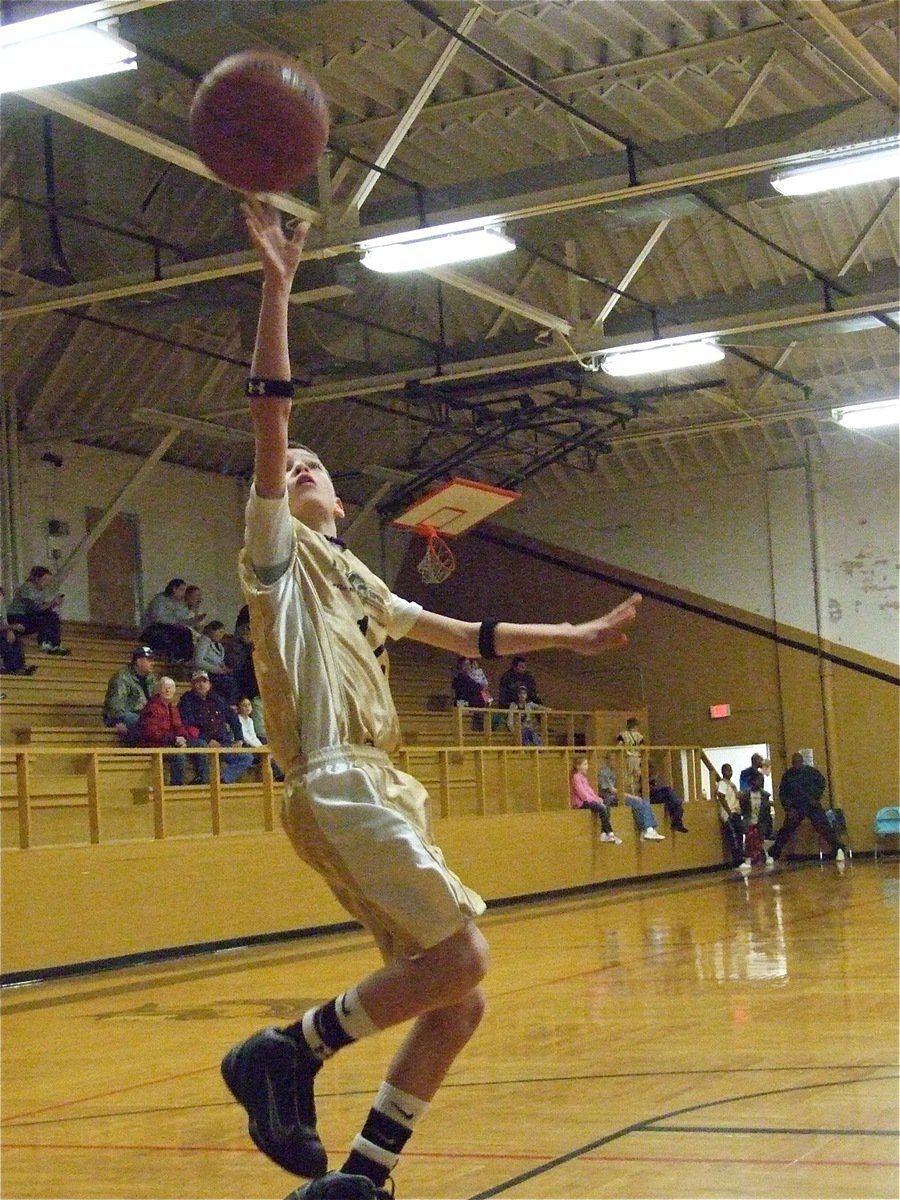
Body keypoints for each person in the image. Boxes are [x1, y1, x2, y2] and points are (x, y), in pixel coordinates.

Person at [221, 198, 642, 1200]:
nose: (308, 467)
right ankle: (284, 1051)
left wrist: (574, 635)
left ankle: (362, 1179)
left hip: (375, 786)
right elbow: (272, 414)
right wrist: (279, 286)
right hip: (336, 779)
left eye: (320, 465)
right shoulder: (275, 557)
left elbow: (467, 638)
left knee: (455, 1003)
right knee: (464, 960)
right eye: (299, 467)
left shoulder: (357, 578)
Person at [769, 752, 846, 864]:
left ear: (802, 762)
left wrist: (816, 797)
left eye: (799, 762)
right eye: (795, 763)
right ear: (792, 763)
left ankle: (839, 849)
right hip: (796, 807)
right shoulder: (788, 775)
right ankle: (773, 854)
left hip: (811, 805)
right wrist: (788, 808)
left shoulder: (811, 772)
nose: (797, 765)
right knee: (786, 830)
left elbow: (821, 783)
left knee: (823, 827)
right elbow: (783, 793)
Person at [177, 671, 253, 784]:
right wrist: (208, 740)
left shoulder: (218, 699)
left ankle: (223, 781)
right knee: (201, 745)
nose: (201, 685)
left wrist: (239, 738)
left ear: (209, 684)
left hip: (223, 743)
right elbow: (188, 726)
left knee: (246, 757)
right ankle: (204, 781)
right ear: (192, 685)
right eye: (197, 682)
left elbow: (233, 718)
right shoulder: (186, 701)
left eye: (204, 681)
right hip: (201, 741)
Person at [132, 676, 208, 785]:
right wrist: (174, 739)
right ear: (159, 690)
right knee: (178, 755)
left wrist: (183, 738)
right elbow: (152, 732)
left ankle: (202, 781)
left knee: (200, 744)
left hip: (172, 742)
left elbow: (179, 727)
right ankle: (176, 787)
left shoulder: (173, 707)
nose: (168, 690)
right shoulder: (152, 707)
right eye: (165, 687)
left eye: (171, 687)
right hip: (155, 745)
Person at [597, 754, 664, 840]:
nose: (616, 762)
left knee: (642, 803)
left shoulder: (614, 772)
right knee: (637, 801)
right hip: (608, 798)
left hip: (616, 796)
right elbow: (611, 790)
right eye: (613, 760)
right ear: (608, 760)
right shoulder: (604, 772)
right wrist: (630, 796)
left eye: (616, 760)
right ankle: (647, 829)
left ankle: (647, 829)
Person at [8, 566, 70, 655]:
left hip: (28, 617)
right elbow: (33, 608)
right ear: (37, 579)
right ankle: (45, 643)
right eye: (45, 580)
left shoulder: (42, 591)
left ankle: (54, 644)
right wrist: (52, 603)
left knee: (52, 615)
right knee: (45, 618)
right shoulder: (28, 587)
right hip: (17, 617)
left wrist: (52, 605)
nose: (47, 583)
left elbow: (42, 608)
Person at [102, 646, 157, 738]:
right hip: (124, 715)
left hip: (144, 715)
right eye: (149, 660)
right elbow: (116, 703)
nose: (153, 663)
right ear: (138, 661)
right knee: (143, 723)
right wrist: (117, 721)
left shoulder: (151, 678)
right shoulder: (122, 677)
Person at [569, 756, 622, 843]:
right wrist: (593, 800)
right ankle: (610, 833)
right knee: (601, 807)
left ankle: (603, 833)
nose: (587, 766)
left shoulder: (583, 777)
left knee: (606, 806)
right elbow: (582, 793)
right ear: (578, 766)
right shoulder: (576, 777)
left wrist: (597, 798)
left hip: (589, 800)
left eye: (587, 764)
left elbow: (590, 791)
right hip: (581, 803)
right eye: (585, 764)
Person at [141, 578, 195, 662]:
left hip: (170, 628)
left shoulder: (179, 603)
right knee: (180, 633)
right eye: (181, 590)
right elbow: (158, 618)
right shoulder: (160, 600)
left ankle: (185, 659)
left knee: (186, 632)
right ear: (174, 589)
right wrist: (175, 623)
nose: (184, 593)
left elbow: (182, 617)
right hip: (154, 629)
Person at [235, 695, 284, 781]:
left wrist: (262, 747)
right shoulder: (238, 719)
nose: (247, 707)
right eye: (244, 705)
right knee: (267, 755)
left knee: (271, 752)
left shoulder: (250, 720)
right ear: (239, 708)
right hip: (246, 746)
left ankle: (277, 776)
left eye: (249, 705)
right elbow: (245, 737)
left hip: (254, 747)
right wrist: (259, 748)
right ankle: (279, 776)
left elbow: (253, 736)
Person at [192, 620, 240, 704]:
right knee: (229, 683)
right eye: (220, 632)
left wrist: (225, 668)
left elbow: (220, 660)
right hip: (207, 673)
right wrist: (217, 670)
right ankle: (230, 705)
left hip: (218, 673)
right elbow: (198, 661)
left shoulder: (219, 645)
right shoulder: (203, 642)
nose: (222, 635)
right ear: (212, 631)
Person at [736, 769, 774, 872]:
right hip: (750, 821)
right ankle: (748, 860)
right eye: (757, 780)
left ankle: (765, 857)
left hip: (760, 821)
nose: (759, 783)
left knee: (760, 841)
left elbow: (766, 810)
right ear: (752, 781)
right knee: (749, 841)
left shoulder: (765, 795)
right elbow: (743, 807)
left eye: (761, 781)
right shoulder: (746, 794)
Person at [0, 586, 37, 676]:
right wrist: (12, 626)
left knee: (15, 639)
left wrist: (10, 630)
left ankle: (20, 667)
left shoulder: (1, 608)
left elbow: (4, 622)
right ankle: (10, 668)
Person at [715, 763, 745, 868]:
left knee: (739, 836)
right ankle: (737, 861)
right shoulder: (722, 784)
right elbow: (721, 796)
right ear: (723, 772)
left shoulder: (731, 784)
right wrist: (728, 812)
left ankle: (741, 858)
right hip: (729, 813)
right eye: (728, 770)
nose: (730, 772)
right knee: (734, 837)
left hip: (736, 812)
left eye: (731, 770)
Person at [615, 716, 644, 794]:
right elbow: (642, 747)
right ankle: (636, 792)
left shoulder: (623, 734)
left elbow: (619, 744)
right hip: (637, 757)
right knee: (636, 776)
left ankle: (629, 793)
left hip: (628, 757)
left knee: (628, 776)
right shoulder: (639, 736)